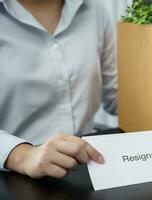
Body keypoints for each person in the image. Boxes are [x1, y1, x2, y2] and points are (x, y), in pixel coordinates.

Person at [0, 0, 118, 178]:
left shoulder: (94, 10)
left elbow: (117, 96)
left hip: (88, 167)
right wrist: (20, 154)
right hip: (15, 174)